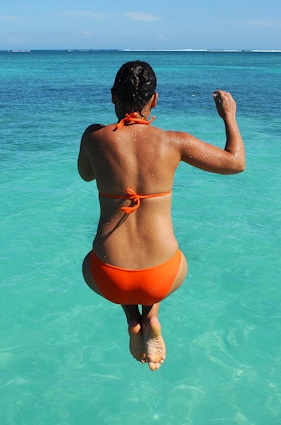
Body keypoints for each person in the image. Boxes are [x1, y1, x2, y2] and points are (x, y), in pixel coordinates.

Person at [78, 61, 245, 371]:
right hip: (162, 278)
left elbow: (85, 175)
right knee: (170, 258)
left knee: (93, 260)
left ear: (113, 96)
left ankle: (133, 319)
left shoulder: (94, 137)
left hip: (109, 279)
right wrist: (229, 117)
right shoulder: (174, 142)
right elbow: (236, 163)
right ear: (154, 100)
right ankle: (151, 315)